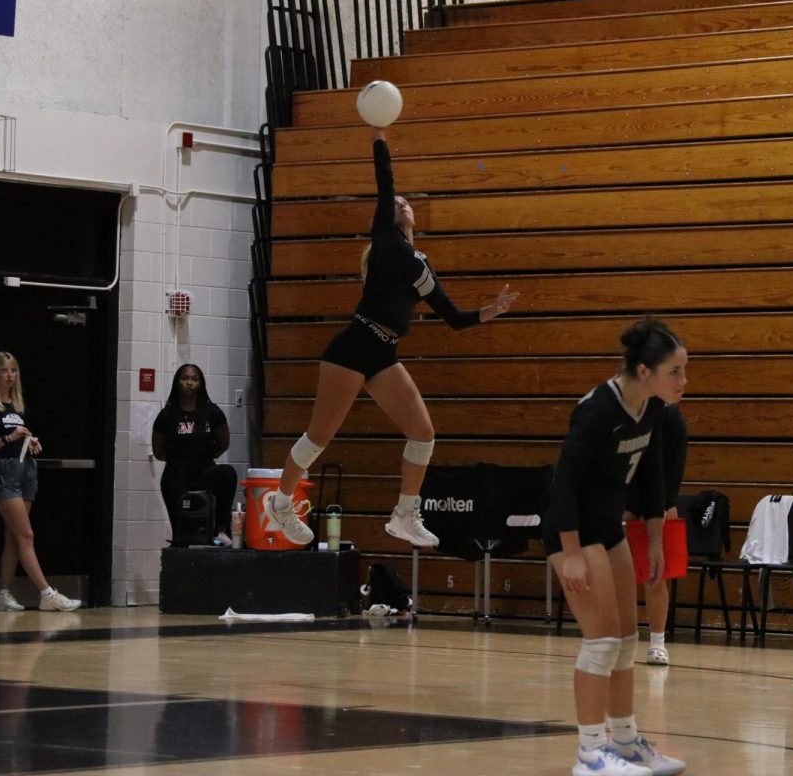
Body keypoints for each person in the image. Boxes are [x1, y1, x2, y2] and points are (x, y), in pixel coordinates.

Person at [261, 125, 519, 548]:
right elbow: (386, 184)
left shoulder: (421, 264)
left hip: (384, 353)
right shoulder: (385, 242)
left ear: (415, 217)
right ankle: (281, 502)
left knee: (423, 433)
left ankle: (404, 513)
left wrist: (489, 311)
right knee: (319, 436)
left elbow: (452, 317)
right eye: (396, 202)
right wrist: (379, 137)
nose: (401, 202)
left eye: (406, 203)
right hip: (354, 345)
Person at [544, 317, 687, 776]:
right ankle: (589, 754)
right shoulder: (598, 410)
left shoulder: (653, 411)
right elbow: (563, 482)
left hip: (608, 530)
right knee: (602, 641)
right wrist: (568, 554)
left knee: (627, 640)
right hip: (574, 532)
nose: (683, 381)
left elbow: (652, 479)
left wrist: (656, 540)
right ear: (644, 371)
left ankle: (625, 742)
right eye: (675, 371)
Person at [0, 352, 81, 612]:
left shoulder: (16, 407)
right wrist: (9, 439)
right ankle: (47, 592)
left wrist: (28, 441)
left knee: (14, 536)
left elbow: (16, 435)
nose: (10, 375)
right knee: (26, 534)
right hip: (1, 471)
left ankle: (4, 595)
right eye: (4, 371)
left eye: (13, 370)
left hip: (24, 469)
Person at [625, 404, 687, 666]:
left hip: (659, 502)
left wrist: (661, 506)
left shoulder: (670, 417)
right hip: (626, 500)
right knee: (617, 574)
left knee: (655, 576)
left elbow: (674, 468)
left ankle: (657, 643)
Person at [151, 364, 238, 546]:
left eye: (194, 379)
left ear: (200, 383)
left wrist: (201, 455)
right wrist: (180, 460)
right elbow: (159, 451)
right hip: (177, 475)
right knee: (183, 530)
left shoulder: (212, 412)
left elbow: (224, 444)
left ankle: (221, 530)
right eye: (185, 378)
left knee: (227, 473)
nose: (189, 382)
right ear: (177, 382)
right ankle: (179, 543)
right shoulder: (166, 416)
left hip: (204, 472)